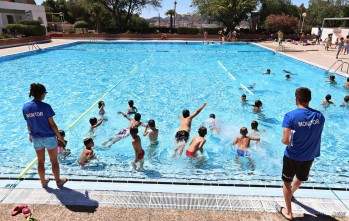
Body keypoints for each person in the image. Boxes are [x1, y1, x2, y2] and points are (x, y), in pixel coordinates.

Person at [276, 87, 325, 221]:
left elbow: (286, 141)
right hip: (309, 156)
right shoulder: (320, 116)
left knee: (286, 181)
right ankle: (291, 194)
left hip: (292, 156)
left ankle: (289, 213)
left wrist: (283, 139)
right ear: (309, 99)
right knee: (300, 178)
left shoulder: (290, 116)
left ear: (296, 99)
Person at [22, 83, 67, 188]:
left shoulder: (25, 107)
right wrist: (60, 138)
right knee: (54, 161)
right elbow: (52, 124)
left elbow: (29, 123)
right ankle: (58, 181)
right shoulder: (46, 106)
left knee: (40, 161)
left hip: (36, 138)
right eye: (45, 93)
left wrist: (30, 134)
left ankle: (43, 181)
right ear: (42, 94)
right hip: (49, 137)